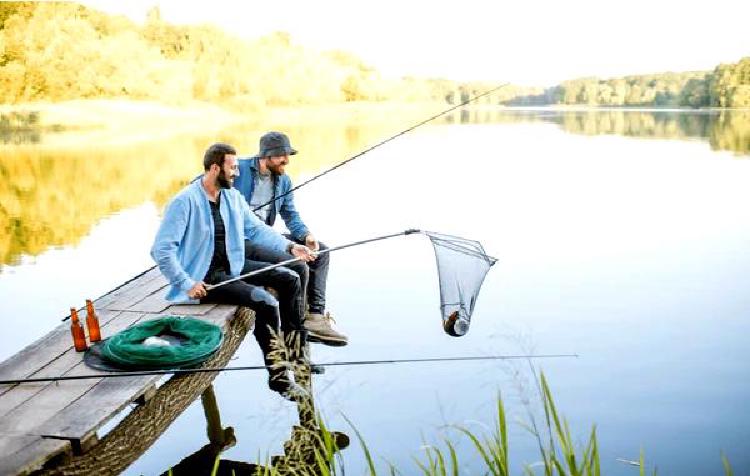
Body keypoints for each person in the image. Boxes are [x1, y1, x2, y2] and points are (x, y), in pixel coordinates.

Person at [151, 142, 316, 400]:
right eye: (233, 168)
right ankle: (279, 377)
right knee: (266, 302)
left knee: (290, 277)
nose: (237, 173)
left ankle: (296, 352)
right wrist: (186, 282)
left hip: (233, 266)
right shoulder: (185, 201)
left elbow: (256, 229)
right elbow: (161, 250)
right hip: (206, 278)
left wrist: (290, 245)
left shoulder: (231, 197)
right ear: (215, 168)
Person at [233, 131, 348, 346]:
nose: (286, 160)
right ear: (265, 155)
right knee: (297, 265)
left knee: (321, 251)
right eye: (281, 155)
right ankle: (296, 330)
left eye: (287, 155)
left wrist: (305, 235)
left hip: (265, 234)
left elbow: (290, 214)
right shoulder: (237, 170)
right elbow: (205, 181)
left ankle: (315, 316)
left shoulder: (283, 181)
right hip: (243, 240)